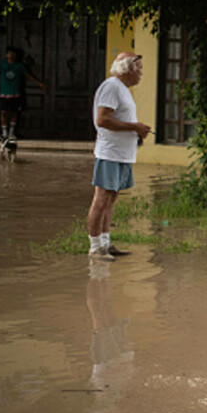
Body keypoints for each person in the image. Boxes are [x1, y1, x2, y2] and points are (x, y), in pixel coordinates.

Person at [87, 52, 151, 261]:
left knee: (111, 199)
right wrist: (135, 127)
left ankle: (105, 243)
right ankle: (95, 247)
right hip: (111, 153)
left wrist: (137, 132)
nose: (141, 73)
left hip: (123, 154)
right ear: (129, 69)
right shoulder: (112, 86)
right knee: (102, 198)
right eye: (139, 68)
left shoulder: (122, 90)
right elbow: (103, 119)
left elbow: (118, 118)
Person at [0, 46, 46, 140]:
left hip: (15, 93)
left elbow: (28, 76)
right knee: (3, 113)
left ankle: (12, 132)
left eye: (13, 53)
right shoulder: (2, 64)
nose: (11, 55)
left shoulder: (19, 66)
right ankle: (4, 132)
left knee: (14, 113)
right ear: (6, 55)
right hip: (4, 93)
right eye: (9, 53)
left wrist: (39, 84)